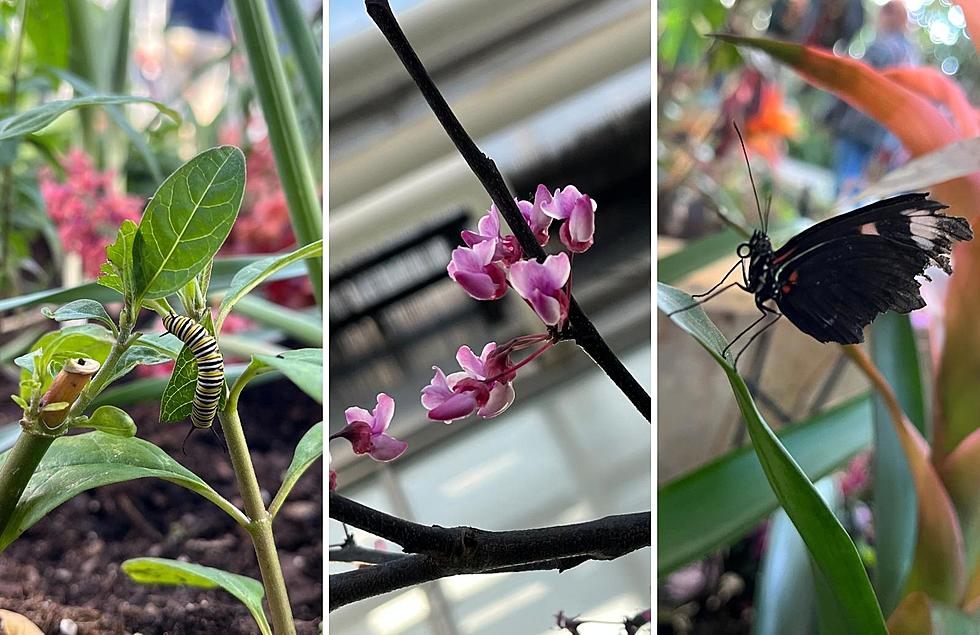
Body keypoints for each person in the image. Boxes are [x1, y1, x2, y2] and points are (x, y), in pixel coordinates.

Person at [828, 0, 919, 197]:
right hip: (883, 134)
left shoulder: (881, 47)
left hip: (859, 126)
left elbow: (855, 84)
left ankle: (842, 225)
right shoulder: (911, 56)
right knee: (860, 189)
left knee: (846, 187)